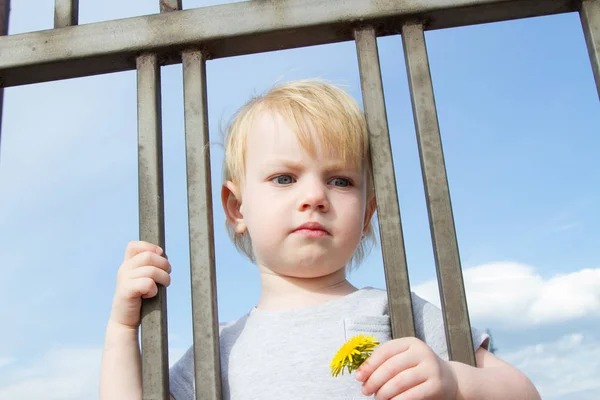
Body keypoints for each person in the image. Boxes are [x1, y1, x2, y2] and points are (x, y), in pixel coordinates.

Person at [100, 80, 541, 400]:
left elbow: (523, 393)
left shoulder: (397, 311)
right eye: (284, 177)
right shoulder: (219, 347)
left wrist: (455, 382)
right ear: (237, 209)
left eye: (341, 181)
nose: (313, 197)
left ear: (367, 215)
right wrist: (122, 330)